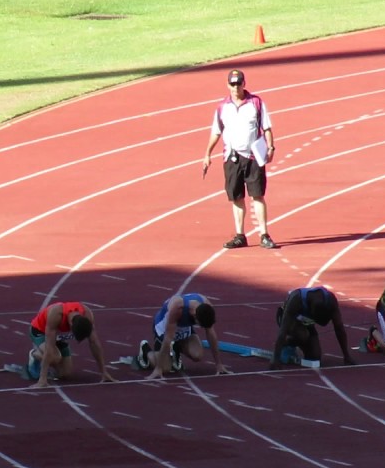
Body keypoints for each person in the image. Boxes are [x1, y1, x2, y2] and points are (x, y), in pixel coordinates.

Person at [202, 69, 278, 250]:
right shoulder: (222, 107)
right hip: (232, 156)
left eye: (239, 83)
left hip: (253, 156)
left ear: (244, 83)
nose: (236, 87)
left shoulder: (256, 103)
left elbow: (266, 127)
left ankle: (264, 234)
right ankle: (239, 235)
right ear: (228, 85)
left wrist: (271, 147)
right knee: (236, 197)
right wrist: (207, 154)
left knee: (257, 195)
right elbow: (216, 131)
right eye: (232, 84)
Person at [134, 293, 230, 379]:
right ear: (195, 317)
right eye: (200, 325)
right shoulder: (177, 308)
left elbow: (211, 334)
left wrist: (219, 364)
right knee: (166, 368)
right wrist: (158, 368)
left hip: (183, 328)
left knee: (197, 355)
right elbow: (168, 338)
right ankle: (145, 352)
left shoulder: (207, 307)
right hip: (164, 329)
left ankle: (175, 349)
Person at [25, 301, 115, 389]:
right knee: (54, 357)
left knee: (65, 374)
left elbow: (94, 343)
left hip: (59, 336)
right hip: (40, 331)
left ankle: (51, 356)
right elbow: (49, 348)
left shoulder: (87, 314)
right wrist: (42, 379)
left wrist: (104, 372)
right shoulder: (56, 314)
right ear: (71, 325)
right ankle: (34, 354)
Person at [269, 287, 356, 370]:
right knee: (303, 335)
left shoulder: (331, 300)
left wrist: (346, 355)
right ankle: (287, 343)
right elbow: (283, 330)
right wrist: (276, 357)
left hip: (306, 322)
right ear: (312, 310)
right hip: (287, 318)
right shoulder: (296, 300)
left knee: (315, 357)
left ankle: (297, 340)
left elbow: (339, 328)